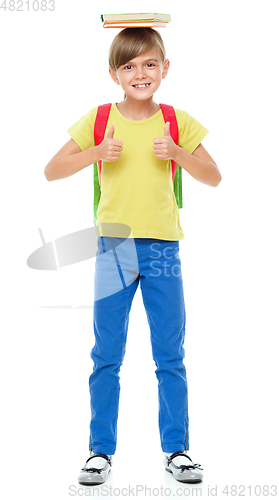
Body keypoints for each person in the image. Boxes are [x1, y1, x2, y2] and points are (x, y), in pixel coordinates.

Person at [44, 27, 221, 486]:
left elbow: (214, 176)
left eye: (148, 64)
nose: (139, 74)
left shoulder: (176, 121)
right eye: (128, 66)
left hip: (163, 249)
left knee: (170, 353)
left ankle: (177, 450)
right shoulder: (100, 119)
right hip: (115, 248)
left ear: (165, 69)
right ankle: (99, 450)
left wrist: (179, 153)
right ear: (113, 74)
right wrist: (96, 153)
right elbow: (51, 169)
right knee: (107, 352)